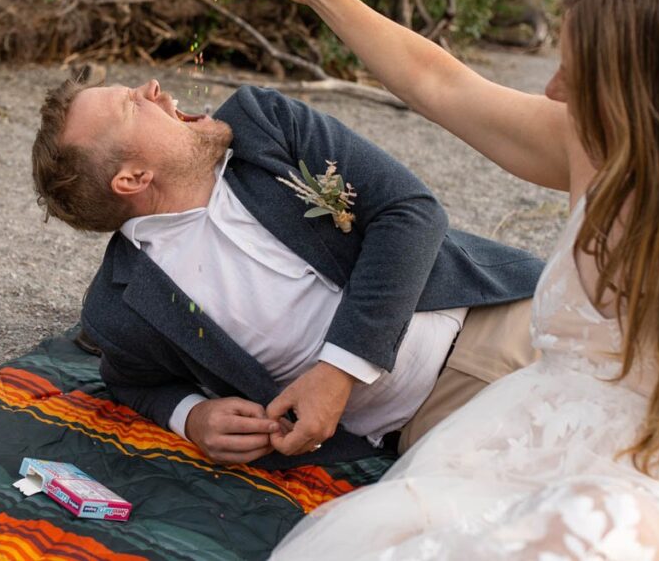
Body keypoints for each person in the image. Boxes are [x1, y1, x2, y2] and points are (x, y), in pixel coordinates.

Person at [244, 0, 659, 556]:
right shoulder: (592, 142)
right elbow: (441, 84)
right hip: (526, 435)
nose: (553, 90)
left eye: (581, 71)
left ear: (650, 91)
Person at [31, 68, 543, 469]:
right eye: (131, 105)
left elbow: (410, 211)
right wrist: (192, 416)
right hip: (436, 422)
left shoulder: (264, 124)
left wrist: (340, 369)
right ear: (134, 177)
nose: (153, 88)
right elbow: (130, 381)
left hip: (499, 317)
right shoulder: (119, 304)